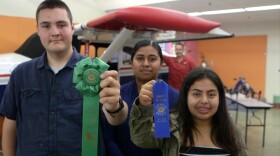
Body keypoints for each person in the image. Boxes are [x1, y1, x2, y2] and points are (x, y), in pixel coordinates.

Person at [0, 0, 128, 155]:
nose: (55, 32)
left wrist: (116, 106)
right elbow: (10, 122)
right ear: (38, 30)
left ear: (71, 28)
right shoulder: (20, 74)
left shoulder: (95, 70)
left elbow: (116, 118)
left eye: (61, 24)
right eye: (46, 26)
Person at [130, 67, 248, 156]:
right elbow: (141, 139)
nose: (204, 101)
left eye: (211, 94)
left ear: (220, 98)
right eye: (196, 94)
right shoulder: (171, 125)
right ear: (186, 96)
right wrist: (143, 106)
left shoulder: (231, 130)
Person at [102, 39, 179, 156]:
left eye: (152, 59)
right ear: (131, 62)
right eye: (140, 58)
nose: (146, 63)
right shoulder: (117, 95)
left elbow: (174, 139)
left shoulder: (175, 97)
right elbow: (109, 137)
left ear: (162, 63)